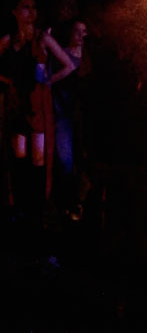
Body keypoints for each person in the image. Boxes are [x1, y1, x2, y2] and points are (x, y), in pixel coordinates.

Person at [0, 0, 75, 225]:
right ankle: (20, 208)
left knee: (38, 159)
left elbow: (69, 65)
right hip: (17, 106)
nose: (31, 12)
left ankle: (37, 209)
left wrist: (49, 81)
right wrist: (8, 83)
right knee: (19, 158)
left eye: (34, 7)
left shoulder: (43, 38)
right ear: (15, 12)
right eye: (25, 7)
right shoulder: (8, 41)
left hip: (37, 107)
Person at [51, 18, 92, 221]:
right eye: (77, 31)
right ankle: (65, 205)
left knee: (82, 159)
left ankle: (79, 203)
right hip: (64, 115)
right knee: (65, 160)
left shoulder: (88, 58)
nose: (81, 35)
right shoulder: (62, 55)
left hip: (83, 116)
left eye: (84, 31)